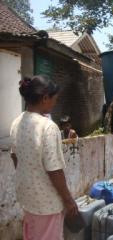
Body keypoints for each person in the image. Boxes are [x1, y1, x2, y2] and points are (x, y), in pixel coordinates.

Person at [10, 75, 78, 240]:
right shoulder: (48, 127)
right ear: (45, 98)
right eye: (54, 99)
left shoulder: (17, 122)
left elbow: (15, 157)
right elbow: (54, 170)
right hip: (46, 202)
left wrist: (29, 177)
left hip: (27, 196)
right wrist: (68, 200)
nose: (55, 103)